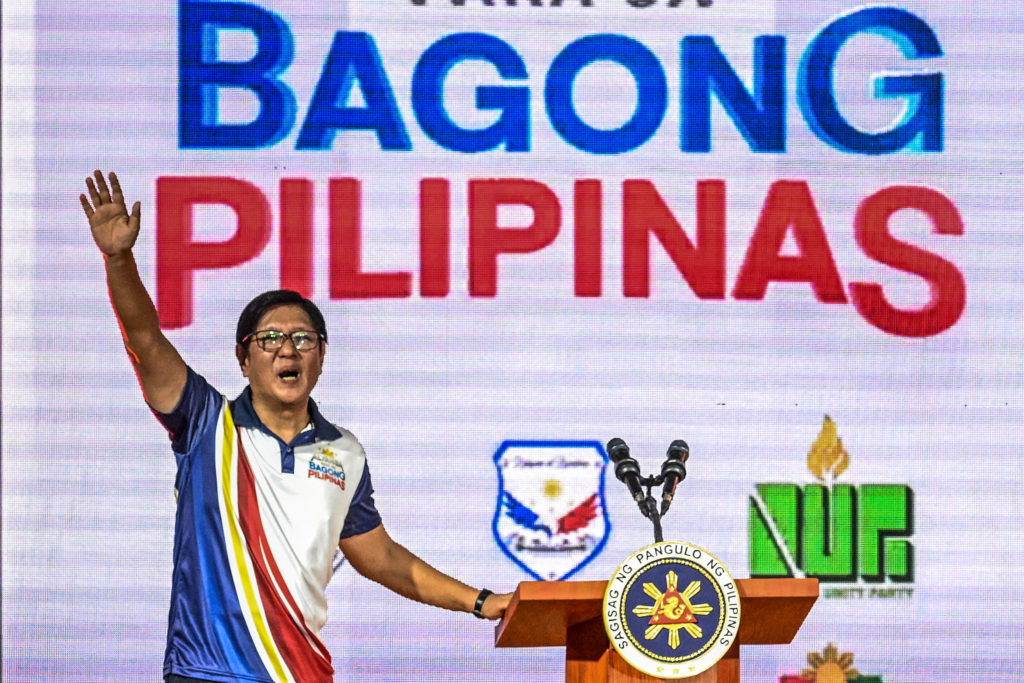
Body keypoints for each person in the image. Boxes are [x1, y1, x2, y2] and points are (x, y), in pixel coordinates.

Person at [80, 170, 512, 683]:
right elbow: (145, 338)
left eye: (303, 339)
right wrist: (120, 260)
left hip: (300, 673)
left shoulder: (344, 452)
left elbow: (380, 557)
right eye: (270, 339)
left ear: (321, 356)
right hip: (205, 672)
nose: (288, 350)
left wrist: (479, 600)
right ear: (244, 359)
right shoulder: (205, 423)